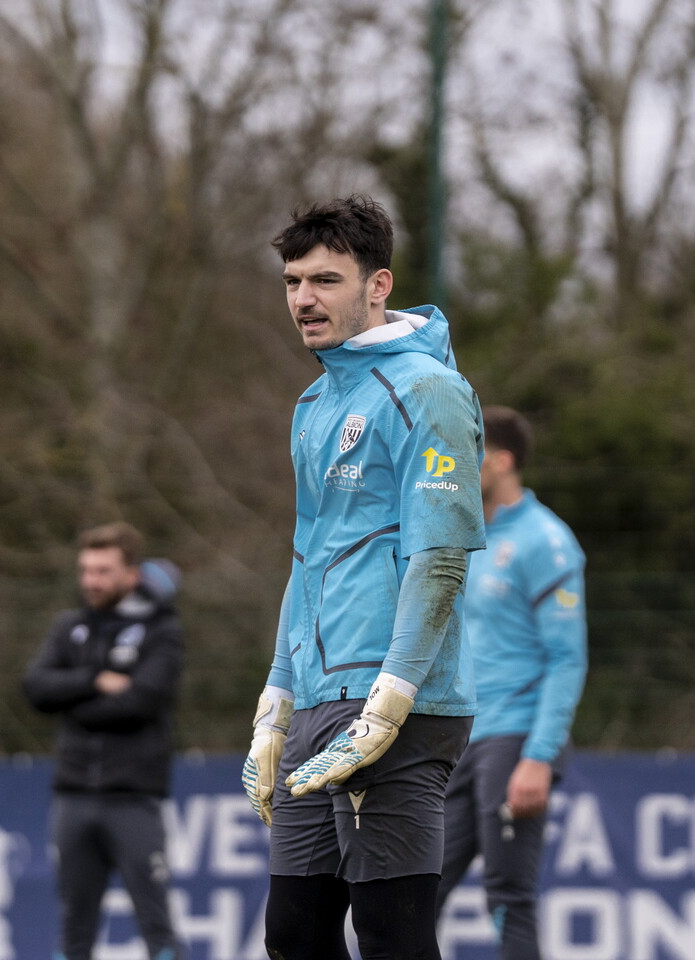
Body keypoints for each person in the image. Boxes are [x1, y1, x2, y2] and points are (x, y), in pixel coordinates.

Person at [240, 195, 486, 960]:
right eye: (292, 282)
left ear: (378, 285)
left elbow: (439, 556)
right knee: (296, 935)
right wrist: (276, 698)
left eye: (325, 280)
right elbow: (306, 559)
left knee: (391, 935)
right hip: (320, 698)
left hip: (400, 704)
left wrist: (391, 700)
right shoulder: (315, 402)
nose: (304, 300)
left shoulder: (429, 390)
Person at [436, 406, 588, 960]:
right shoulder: (463, 535)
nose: (453, 464)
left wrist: (538, 756)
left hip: (514, 739)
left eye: (467, 454)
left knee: (508, 896)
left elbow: (567, 659)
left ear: (500, 462)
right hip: (459, 739)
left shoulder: (546, 541)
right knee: (413, 892)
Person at [22, 522, 185, 960]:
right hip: (73, 797)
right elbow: (36, 687)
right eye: (86, 570)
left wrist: (74, 701)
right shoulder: (69, 627)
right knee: (74, 926)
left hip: (133, 798)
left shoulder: (161, 631)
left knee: (157, 925)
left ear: (132, 574)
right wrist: (95, 679)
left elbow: (141, 701)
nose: (91, 580)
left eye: (103, 571)